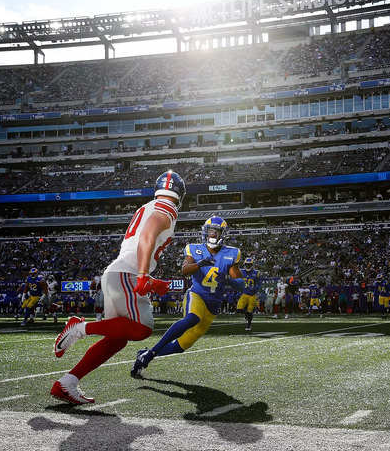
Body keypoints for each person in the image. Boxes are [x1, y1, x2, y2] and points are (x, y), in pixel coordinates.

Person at [50, 170, 185, 405]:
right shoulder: (168, 208)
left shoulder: (148, 205)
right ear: (180, 193)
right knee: (142, 329)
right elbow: (147, 237)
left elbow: (137, 245)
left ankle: (67, 382)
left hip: (118, 273)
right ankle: (80, 327)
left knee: (117, 339)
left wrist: (151, 282)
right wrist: (143, 274)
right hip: (127, 273)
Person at [130, 215, 245, 378]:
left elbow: (239, 282)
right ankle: (149, 355)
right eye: (210, 231)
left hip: (213, 305)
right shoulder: (195, 249)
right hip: (197, 294)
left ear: (222, 235)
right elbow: (184, 270)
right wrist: (200, 264)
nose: (212, 235)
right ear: (205, 232)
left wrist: (230, 279)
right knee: (193, 318)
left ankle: (145, 353)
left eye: (216, 232)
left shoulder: (231, 253)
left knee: (182, 345)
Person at [237, 257, 260, 332]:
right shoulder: (241, 272)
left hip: (252, 295)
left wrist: (254, 289)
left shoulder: (256, 272)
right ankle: (247, 315)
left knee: (250, 311)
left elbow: (258, 284)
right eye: (247, 264)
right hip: (244, 293)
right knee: (239, 309)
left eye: (249, 265)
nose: (248, 266)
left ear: (252, 265)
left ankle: (249, 324)